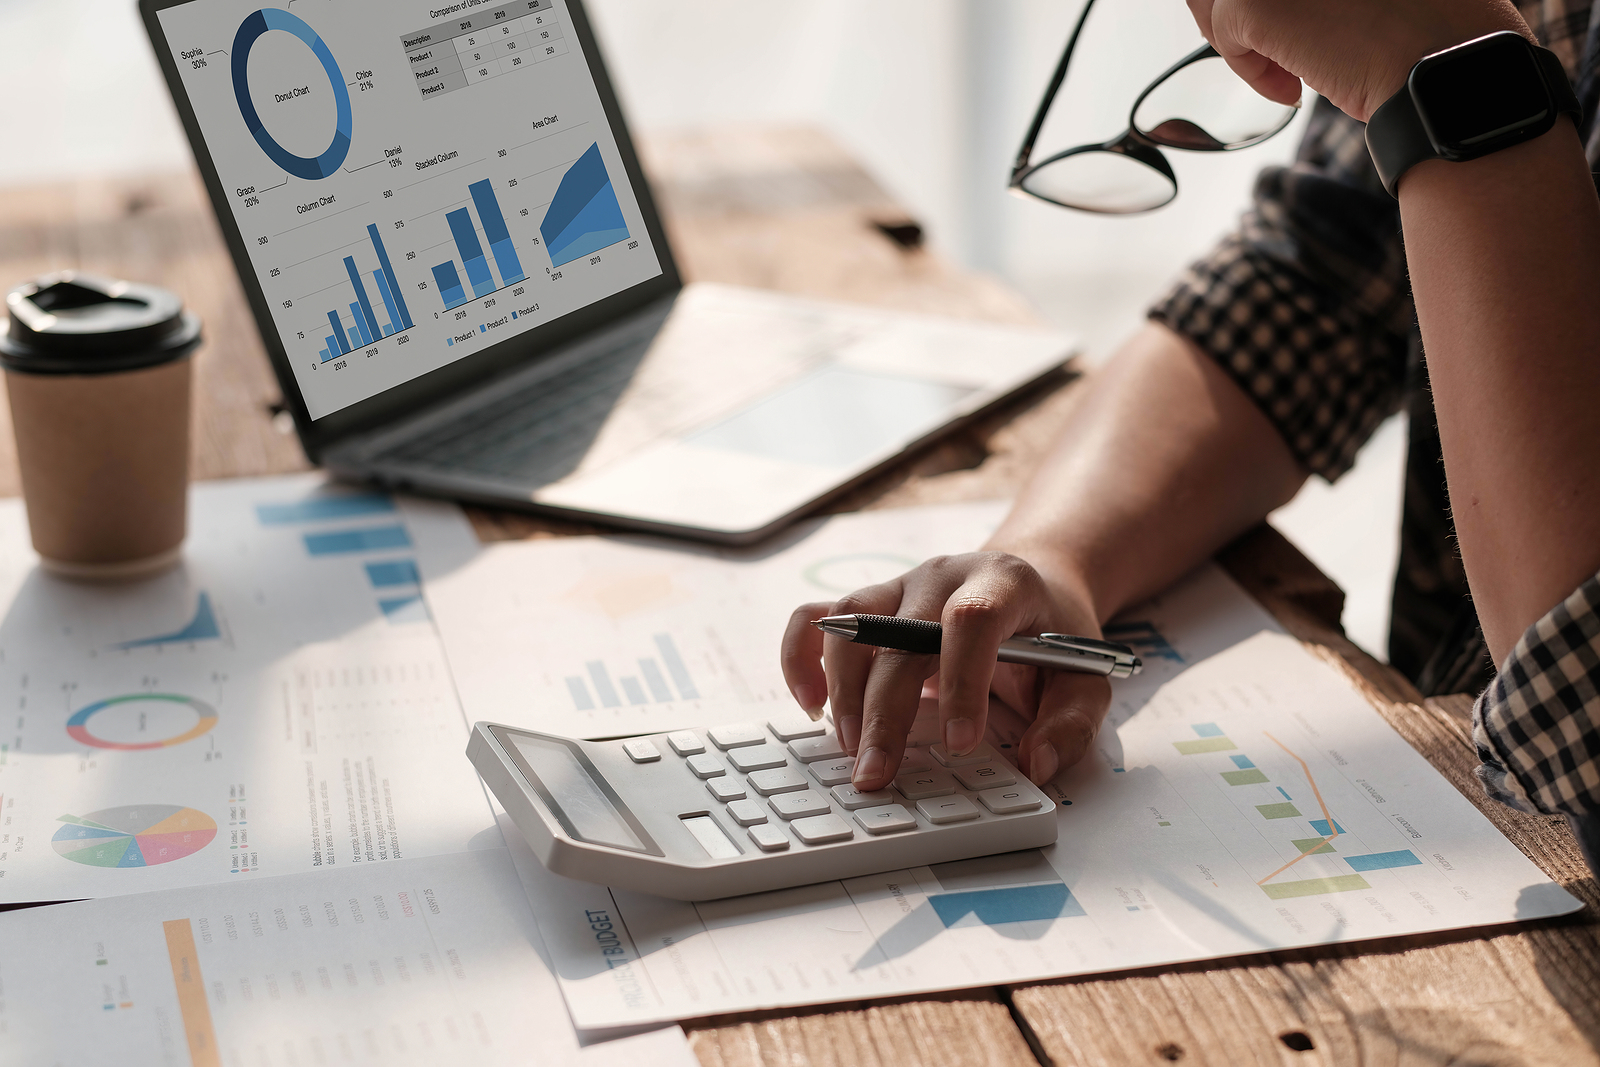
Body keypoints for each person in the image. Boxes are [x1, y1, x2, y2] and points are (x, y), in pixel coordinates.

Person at [780, 0, 1600, 873]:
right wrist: (1053, 558)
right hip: (1452, 795)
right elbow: (1311, 283)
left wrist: (1446, 72)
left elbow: (1583, 727)